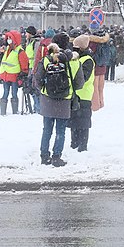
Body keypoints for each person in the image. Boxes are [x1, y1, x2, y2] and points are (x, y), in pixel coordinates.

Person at [32, 32, 84, 167]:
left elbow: (37, 80)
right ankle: (56, 157)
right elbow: (79, 83)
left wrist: (45, 89)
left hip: (48, 99)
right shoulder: (73, 61)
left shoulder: (46, 59)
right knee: (60, 131)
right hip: (64, 100)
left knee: (47, 129)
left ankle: (44, 156)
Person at [68, 34, 95, 152]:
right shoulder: (78, 59)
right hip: (76, 94)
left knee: (83, 122)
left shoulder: (87, 60)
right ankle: (74, 143)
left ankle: (82, 145)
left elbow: (83, 77)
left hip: (84, 95)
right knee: (74, 121)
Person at [0, 29, 29, 116]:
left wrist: (23, 74)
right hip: (6, 75)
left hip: (14, 76)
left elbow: (24, 64)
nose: (8, 40)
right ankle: (4, 112)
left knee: (13, 93)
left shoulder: (19, 51)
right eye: (8, 39)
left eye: (10, 38)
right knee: (6, 92)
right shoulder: (8, 49)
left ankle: (13, 111)